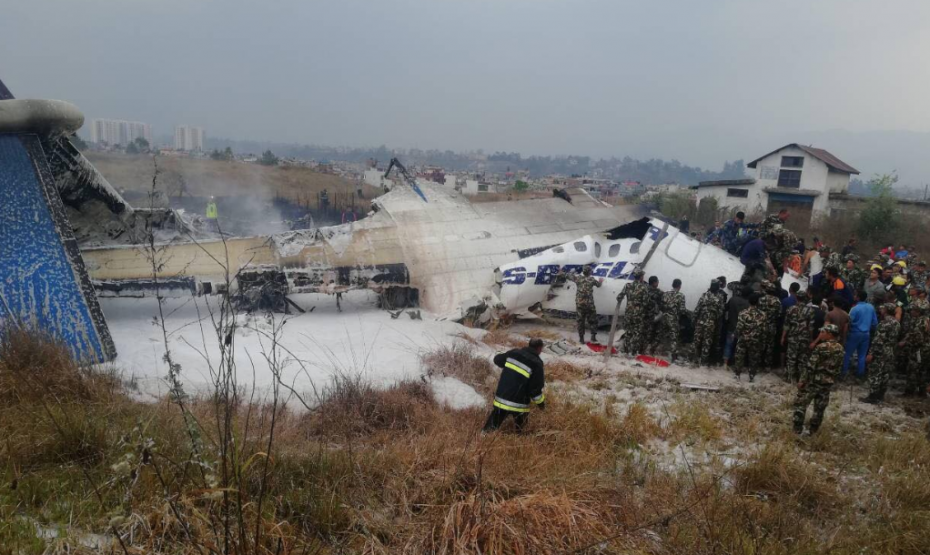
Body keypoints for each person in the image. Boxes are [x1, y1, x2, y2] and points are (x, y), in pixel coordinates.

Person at [484, 339, 546, 432]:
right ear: (539, 348)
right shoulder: (537, 364)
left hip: (502, 399)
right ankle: (519, 439)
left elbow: (497, 360)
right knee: (521, 431)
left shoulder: (514, 353)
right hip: (519, 404)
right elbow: (535, 389)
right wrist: (542, 405)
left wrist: (502, 355)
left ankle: (483, 437)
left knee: (489, 429)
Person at [793, 324, 844, 436]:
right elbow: (838, 368)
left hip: (813, 381)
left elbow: (810, 366)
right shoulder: (840, 348)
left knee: (800, 404)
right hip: (827, 382)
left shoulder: (821, 347)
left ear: (829, 334)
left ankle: (797, 429)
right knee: (819, 408)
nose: (821, 334)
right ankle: (813, 431)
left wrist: (802, 380)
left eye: (823, 332)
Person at [860, 303, 899, 404]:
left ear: (886, 310)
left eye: (883, 309)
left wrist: (871, 353)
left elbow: (878, 340)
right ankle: (881, 395)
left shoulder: (884, 323)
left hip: (880, 351)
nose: (881, 310)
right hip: (890, 351)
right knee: (885, 374)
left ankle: (872, 396)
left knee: (875, 373)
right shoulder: (896, 323)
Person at [561, 266, 603, 344]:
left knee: (580, 321)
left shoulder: (578, 278)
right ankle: (593, 337)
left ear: (583, 272)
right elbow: (598, 285)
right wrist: (601, 281)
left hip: (580, 304)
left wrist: (562, 272)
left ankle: (581, 339)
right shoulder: (592, 280)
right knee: (593, 320)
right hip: (589, 304)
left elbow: (569, 276)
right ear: (590, 272)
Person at [842, 291, 877, 380]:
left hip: (855, 333)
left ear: (857, 297)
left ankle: (844, 373)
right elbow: (874, 323)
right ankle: (860, 374)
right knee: (862, 355)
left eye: (855, 295)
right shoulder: (870, 307)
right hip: (866, 334)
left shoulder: (854, 309)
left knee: (847, 354)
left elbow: (849, 322)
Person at [782, 290, 816, 382]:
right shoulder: (810, 310)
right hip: (804, 338)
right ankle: (801, 378)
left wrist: (783, 337)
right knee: (802, 359)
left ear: (796, 298)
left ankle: (790, 378)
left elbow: (786, 325)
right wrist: (811, 339)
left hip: (792, 337)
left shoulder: (790, 309)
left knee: (791, 358)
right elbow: (811, 327)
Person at [617, 268, 651, 355]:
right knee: (637, 332)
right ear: (641, 277)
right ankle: (633, 352)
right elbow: (646, 303)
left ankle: (626, 350)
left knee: (628, 331)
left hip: (628, 312)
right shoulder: (644, 287)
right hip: (638, 314)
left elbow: (619, 297)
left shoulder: (627, 286)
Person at [734, 293, 766, 382]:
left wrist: (736, 335)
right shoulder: (763, 315)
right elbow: (763, 329)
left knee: (739, 356)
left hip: (743, 339)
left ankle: (737, 374)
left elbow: (739, 327)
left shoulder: (743, 313)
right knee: (753, 358)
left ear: (749, 301)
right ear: (758, 302)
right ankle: (751, 376)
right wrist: (762, 341)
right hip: (756, 340)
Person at [900, 304, 930, 398]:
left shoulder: (920, 322)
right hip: (925, 349)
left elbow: (918, 338)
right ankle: (922, 392)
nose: (911, 312)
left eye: (913, 310)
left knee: (913, 369)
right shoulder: (926, 319)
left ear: (918, 312)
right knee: (923, 370)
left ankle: (909, 392)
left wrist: (906, 343)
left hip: (918, 350)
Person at [692, 280, 725, 365]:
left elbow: (697, 309)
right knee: (706, 343)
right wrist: (714, 319)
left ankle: (694, 360)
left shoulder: (704, 295)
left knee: (696, 341)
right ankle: (703, 362)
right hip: (711, 324)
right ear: (718, 287)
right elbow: (721, 312)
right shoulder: (720, 297)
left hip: (700, 322)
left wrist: (694, 320)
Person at [654, 278, 686, 361]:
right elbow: (682, 310)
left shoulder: (665, 294)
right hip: (673, 319)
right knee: (674, 338)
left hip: (664, 317)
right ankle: (673, 356)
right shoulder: (681, 296)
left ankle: (652, 349)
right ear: (679, 286)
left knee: (659, 335)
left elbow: (661, 305)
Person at [724, 285, 751, 368]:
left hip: (731, 327)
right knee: (740, 348)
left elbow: (725, 308)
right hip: (742, 329)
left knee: (728, 345)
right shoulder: (749, 304)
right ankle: (736, 364)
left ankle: (725, 363)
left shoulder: (733, 299)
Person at [759, 281, 783, 369]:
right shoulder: (777, 301)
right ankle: (767, 365)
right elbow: (779, 314)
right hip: (772, 326)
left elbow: (757, 312)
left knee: (760, 344)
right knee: (770, 346)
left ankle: (758, 363)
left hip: (761, 325)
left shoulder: (761, 299)